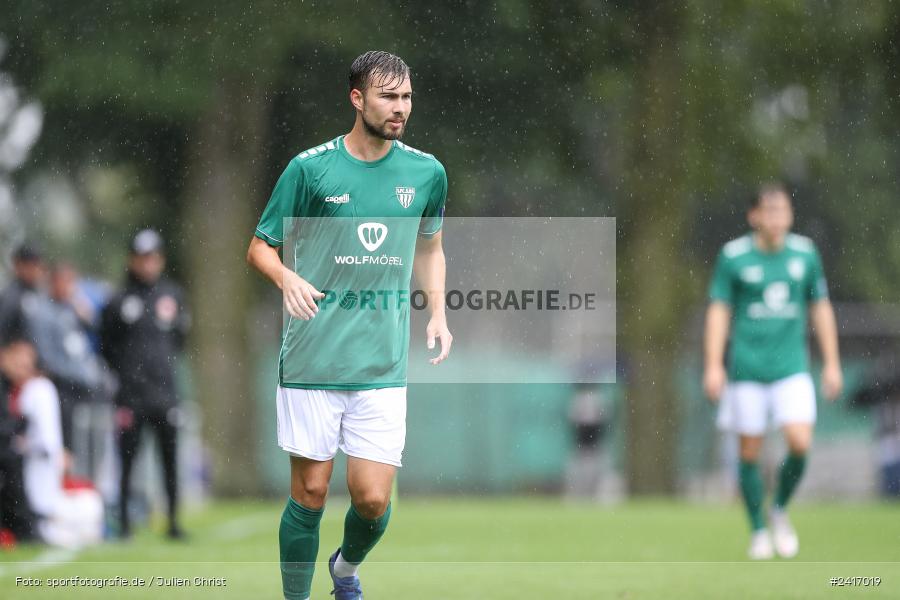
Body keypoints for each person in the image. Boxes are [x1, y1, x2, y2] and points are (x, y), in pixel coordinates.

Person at [247, 50, 451, 600]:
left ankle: (344, 570)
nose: (400, 107)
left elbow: (430, 247)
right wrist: (286, 277)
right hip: (313, 356)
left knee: (373, 500)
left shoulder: (427, 173)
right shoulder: (309, 169)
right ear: (357, 99)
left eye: (406, 97)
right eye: (388, 96)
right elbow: (260, 247)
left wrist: (437, 310)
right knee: (311, 492)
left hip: (382, 362)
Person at [703, 183, 843, 560]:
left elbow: (820, 307)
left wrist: (832, 362)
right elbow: (719, 311)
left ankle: (778, 507)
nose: (778, 218)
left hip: (791, 368)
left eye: (783, 210)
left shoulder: (805, 254)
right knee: (749, 452)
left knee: (799, 443)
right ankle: (758, 530)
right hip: (747, 370)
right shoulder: (733, 257)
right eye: (770, 211)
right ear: (754, 216)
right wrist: (713, 365)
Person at [99, 229, 190, 540]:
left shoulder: (172, 296)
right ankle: (124, 524)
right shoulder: (118, 300)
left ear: (160, 260)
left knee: (170, 460)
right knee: (127, 461)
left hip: (165, 393)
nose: (147, 264)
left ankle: (173, 523)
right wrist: (128, 376)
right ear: (131, 260)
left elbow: (179, 340)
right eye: (141, 258)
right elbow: (106, 346)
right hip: (131, 397)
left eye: (152, 258)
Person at [0, 338, 103, 548]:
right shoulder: (17, 388)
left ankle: (31, 529)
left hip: (36, 461)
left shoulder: (38, 389)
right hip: (25, 459)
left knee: (37, 501)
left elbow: (42, 431)